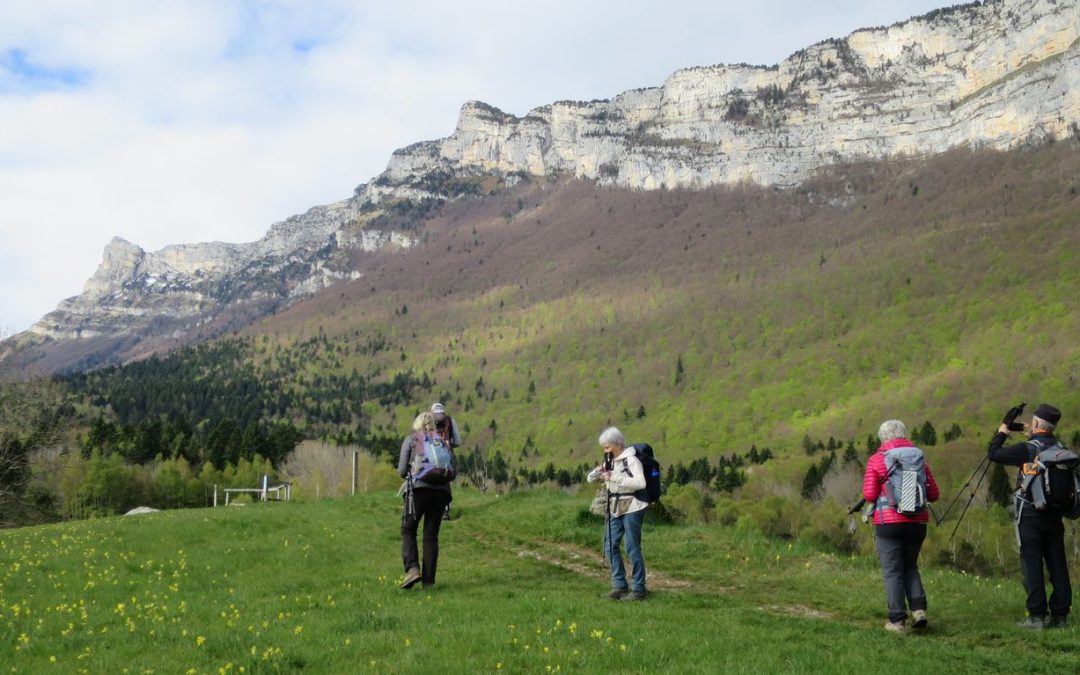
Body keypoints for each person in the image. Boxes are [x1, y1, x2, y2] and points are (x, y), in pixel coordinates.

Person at [988, 403, 1072, 629]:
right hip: (1055, 516)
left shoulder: (1028, 449)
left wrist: (1002, 432)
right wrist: (1032, 434)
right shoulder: (1061, 448)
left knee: (1032, 563)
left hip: (1031, 515)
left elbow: (994, 454)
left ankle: (1036, 616)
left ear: (1036, 424)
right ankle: (1060, 616)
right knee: (1057, 564)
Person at [862, 419, 940, 632]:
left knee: (893, 570)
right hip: (917, 523)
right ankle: (919, 610)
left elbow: (869, 494)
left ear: (883, 438)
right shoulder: (919, 459)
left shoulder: (877, 460)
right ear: (904, 435)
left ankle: (897, 620)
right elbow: (933, 494)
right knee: (910, 565)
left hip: (889, 523)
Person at [586, 427, 649, 601]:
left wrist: (614, 477)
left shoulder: (632, 460)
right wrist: (597, 472)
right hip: (614, 507)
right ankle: (620, 586)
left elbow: (640, 483)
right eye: (604, 448)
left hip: (633, 506)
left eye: (607, 447)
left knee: (631, 547)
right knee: (609, 544)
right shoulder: (610, 461)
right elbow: (590, 479)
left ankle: (638, 589)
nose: (605, 451)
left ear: (618, 444)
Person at [398, 412, 453, 589]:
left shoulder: (412, 440)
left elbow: (401, 470)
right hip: (442, 492)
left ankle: (413, 569)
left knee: (408, 529)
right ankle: (429, 582)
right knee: (430, 536)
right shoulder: (442, 441)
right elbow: (452, 466)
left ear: (417, 424)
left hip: (418, 490)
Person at [431, 402, 461, 519]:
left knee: (430, 478)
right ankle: (445, 510)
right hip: (446, 455)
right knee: (445, 480)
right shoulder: (449, 420)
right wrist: (449, 445)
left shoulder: (428, 420)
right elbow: (458, 441)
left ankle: (430, 508)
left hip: (431, 455)